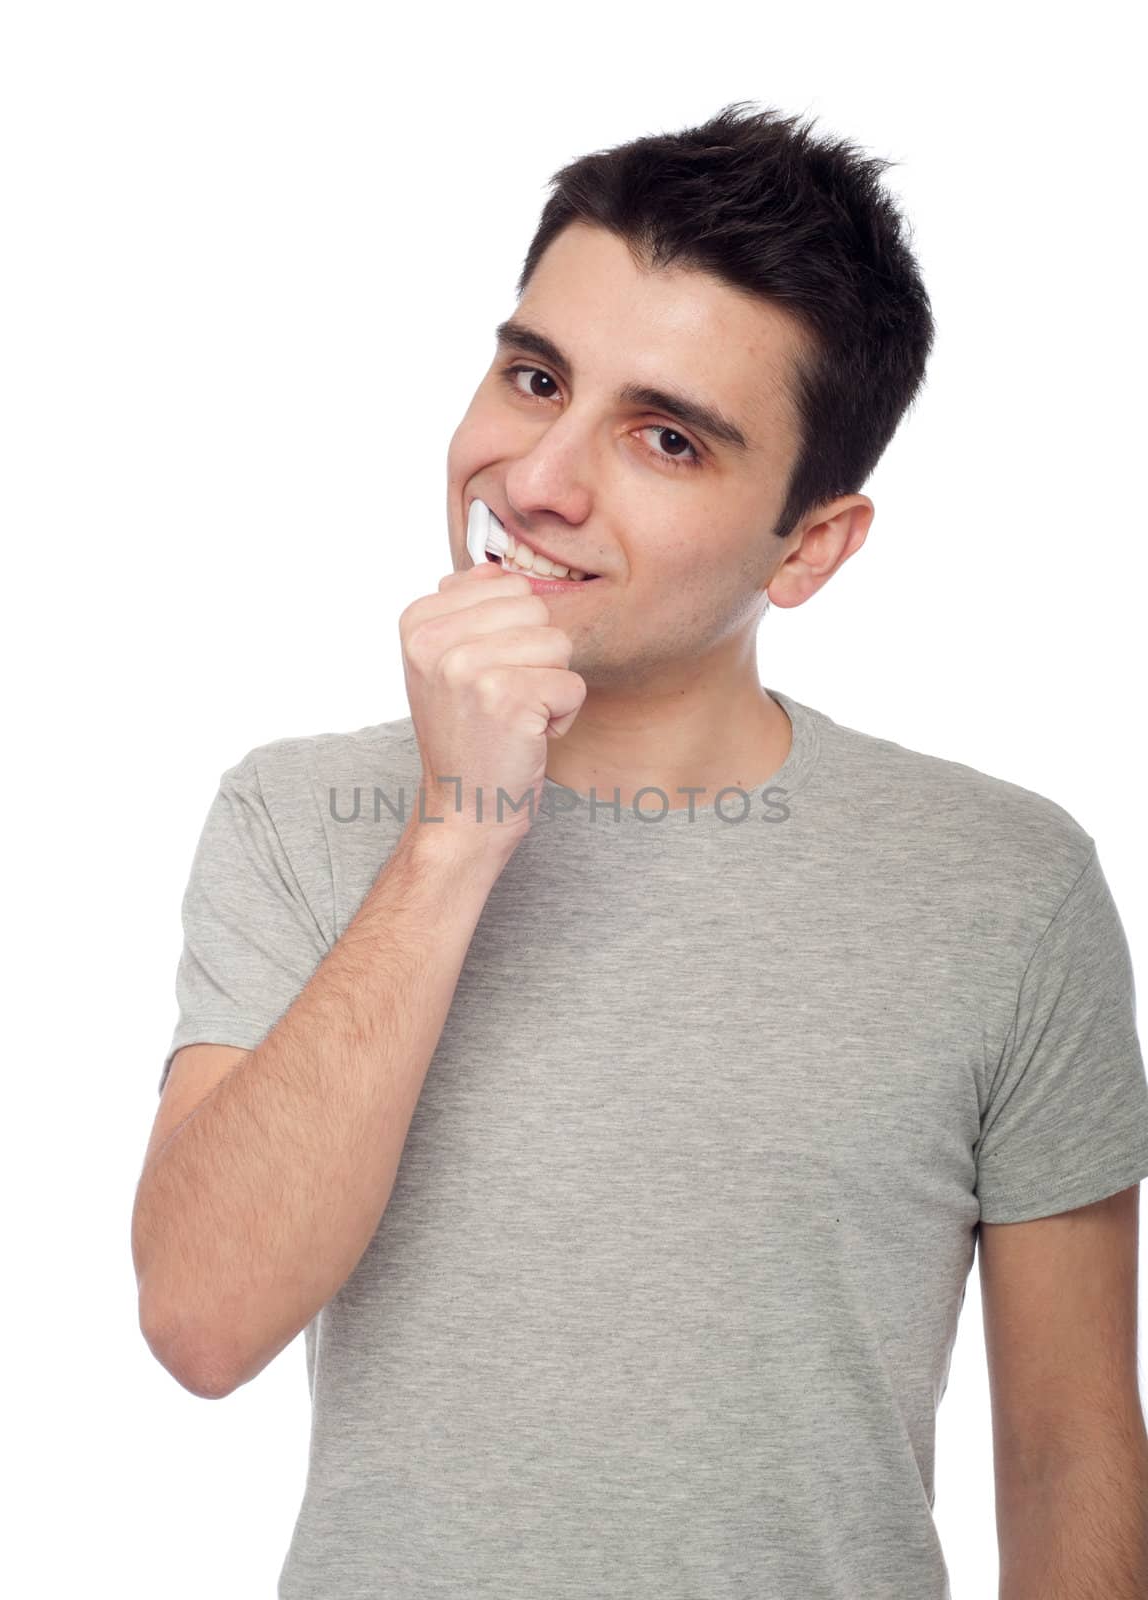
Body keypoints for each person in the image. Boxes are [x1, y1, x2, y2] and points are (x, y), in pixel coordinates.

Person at [132, 101, 1148, 1599]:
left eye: (665, 437)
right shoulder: (300, 819)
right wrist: (457, 830)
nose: (538, 478)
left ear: (811, 547)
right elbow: (203, 1324)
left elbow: (1071, 1455)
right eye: (533, 375)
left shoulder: (1005, 885)